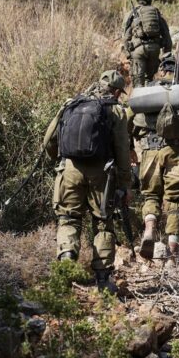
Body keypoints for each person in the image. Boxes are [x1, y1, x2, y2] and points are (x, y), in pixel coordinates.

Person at [43, 70, 131, 293]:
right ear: (117, 91)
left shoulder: (72, 103)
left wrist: (62, 160)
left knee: (68, 219)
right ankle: (102, 281)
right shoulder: (116, 112)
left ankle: (65, 267)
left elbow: (48, 140)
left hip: (69, 169)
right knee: (103, 223)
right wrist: (124, 183)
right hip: (102, 174)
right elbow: (122, 150)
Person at [128, 55, 179, 260]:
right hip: (177, 151)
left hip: (150, 151)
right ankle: (173, 252)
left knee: (151, 195)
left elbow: (130, 120)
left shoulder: (147, 91)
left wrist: (131, 145)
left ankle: (150, 229)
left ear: (160, 70)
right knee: (175, 199)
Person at [122, 0, 172, 88]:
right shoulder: (156, 13)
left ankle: (138, 102)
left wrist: (128, 54)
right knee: (151, 81)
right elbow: (166, 34)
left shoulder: (132, 13)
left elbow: (126, 36)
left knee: (138, 82)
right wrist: (166, 54)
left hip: (138, 50)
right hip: (155, 49)